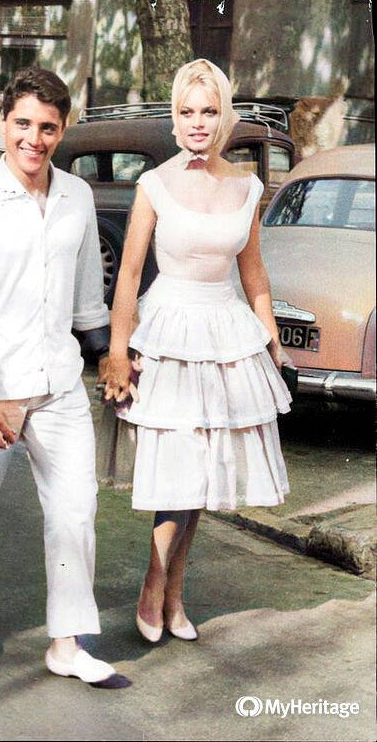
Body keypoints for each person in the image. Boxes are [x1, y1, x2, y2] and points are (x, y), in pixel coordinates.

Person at [0, 67, 129, 689]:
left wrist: (110, 356)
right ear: (2, 123)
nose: (34, 139)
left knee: (75, 512)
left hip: (59, 384)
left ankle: (66, 643)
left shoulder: (77, 197)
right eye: (23, 124)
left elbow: (87, 300)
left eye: (47, 127)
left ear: (62, 129)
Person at [103, 59, 292, 643]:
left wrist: (273, 344)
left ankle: (175, 592)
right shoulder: (154, 184)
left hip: (226, 335)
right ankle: (153, 583)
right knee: (178, 470)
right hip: (167, 335)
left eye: (209, 111)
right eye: (187, 112)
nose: (198, 123)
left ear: (224, 115)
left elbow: (254, 275)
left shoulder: (247, 186)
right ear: (175, 117)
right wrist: (117, 351)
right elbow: (128, 274)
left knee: (204, 473)